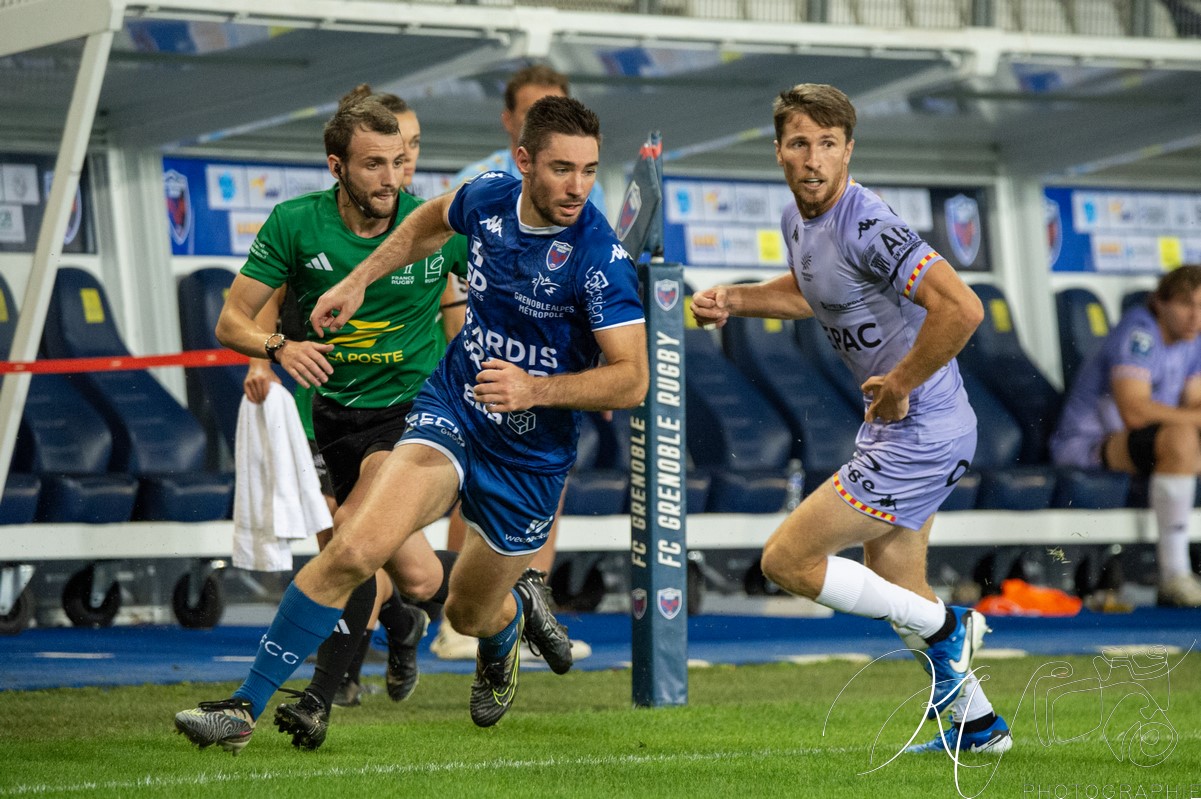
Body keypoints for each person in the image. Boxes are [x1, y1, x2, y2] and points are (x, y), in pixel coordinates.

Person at [174, 95, 647, 753]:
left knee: (465, 610)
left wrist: (535, 388)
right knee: (354, 548)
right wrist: (358, 281)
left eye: (589, 170)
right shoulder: (487, 196)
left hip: (529, 455)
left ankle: (510, 617)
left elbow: (632, 378)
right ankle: (243, 708)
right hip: (451, 409)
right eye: (562, 169)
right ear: (523, 161)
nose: (577, 187)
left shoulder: (599, 257)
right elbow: (425, 223)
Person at [691, 83, 1011, 757]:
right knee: (896, 584)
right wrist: (735, 299)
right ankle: (978, 727)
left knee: (787, 560)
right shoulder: (798, 219)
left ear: (848, 151)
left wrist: (899, 383)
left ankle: (948, 626)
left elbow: (962, 308)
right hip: (908, 427)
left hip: (921, 428)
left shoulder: (869, 224)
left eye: (827, 144)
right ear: (778, 150)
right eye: (800, 143)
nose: (813, 158)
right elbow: (813, 292)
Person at [181, 87, 469, 752]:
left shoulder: (435, 226)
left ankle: (289, 701)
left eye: (401, 161)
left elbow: (483, 301)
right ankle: (494, 597)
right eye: (374, 164)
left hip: (412, 413)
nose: (392, 178)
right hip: (333, 416)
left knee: (347, 543)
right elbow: (231, 320)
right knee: (418, 576)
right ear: (337, 167)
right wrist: (277, 349)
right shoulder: (296, 223)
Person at [436, 63, 604, 662]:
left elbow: (593, 285)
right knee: (469, 492)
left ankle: (530, 614)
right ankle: (457, 625)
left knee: (544, 493)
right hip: (483, 369)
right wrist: (473, 357)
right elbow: (449, 273)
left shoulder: (586, 190)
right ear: (512, 124)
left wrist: (593, 375)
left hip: (548, 372)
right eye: (534, 110)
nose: (576, 181)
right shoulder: (482, 183)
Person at [1051, 265, 1201, 608]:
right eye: (1185, 304)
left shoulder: (1193, 340)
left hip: (1142, 444)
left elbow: (1194, 401)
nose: (1195, 316)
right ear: (1159, 303)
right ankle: (1175, 575)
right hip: (1087, 444)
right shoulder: (1139, 332)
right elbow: (1134, 413)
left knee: (1183, 436)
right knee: (1180, 439)